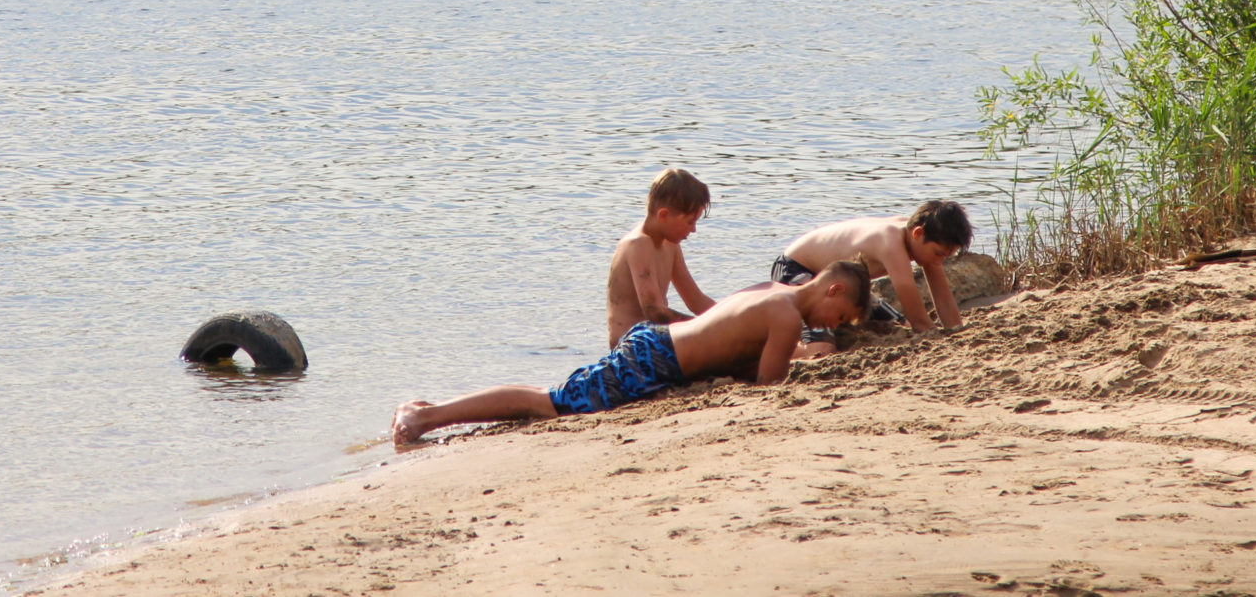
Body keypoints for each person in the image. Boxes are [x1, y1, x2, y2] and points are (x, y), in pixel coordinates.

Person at [391, 261, 872, 445]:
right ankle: (426, 415)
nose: (838, 327)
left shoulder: (772, 292)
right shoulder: (787, 318)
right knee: (547, 402)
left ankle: (430, 413)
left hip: (657, 348)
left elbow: (734, 347)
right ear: (832, 290)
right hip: (654, 358)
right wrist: (806, 357)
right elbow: (769, 385)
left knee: (552, 400)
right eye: (844, 316)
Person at [772, 200, 972, 357]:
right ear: (918, 233)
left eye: (947, 256)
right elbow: (918, 320)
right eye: (938, 254)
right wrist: (934, 336)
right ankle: (765, 352)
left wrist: (956, 333)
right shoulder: (890, 241)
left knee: (897, 326)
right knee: (821, 350)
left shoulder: (920, 239)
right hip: (798, 270)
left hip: (845, 285)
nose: (940, 261)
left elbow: (944, 300)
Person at [604, 167, 715, 348]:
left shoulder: (671, 245)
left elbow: (696, 300)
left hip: (655, 336)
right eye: (690, 222)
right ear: (663, 215)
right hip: (633, 346)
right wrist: (705, 327)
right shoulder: (638, 244)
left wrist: (730, 317)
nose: (693, 229)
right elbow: (654, 312)